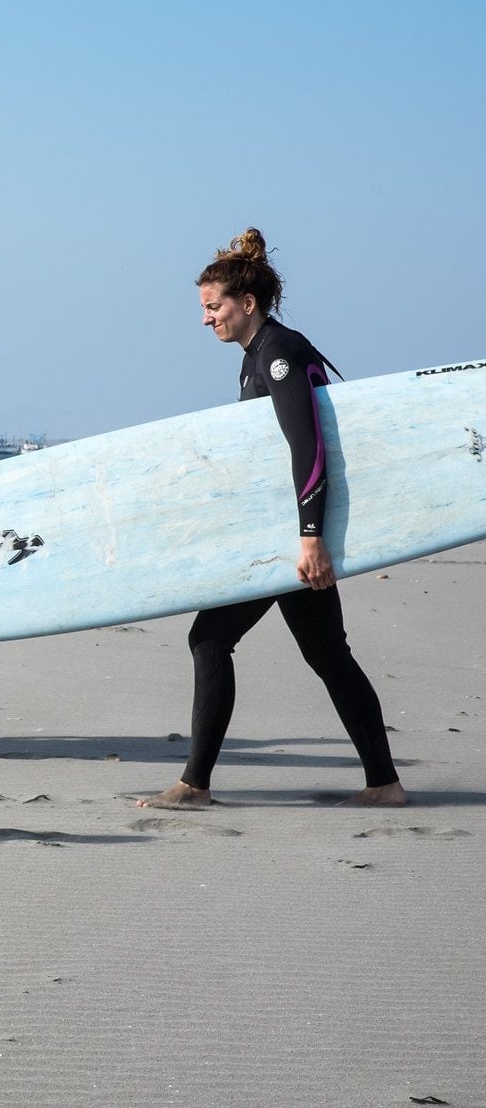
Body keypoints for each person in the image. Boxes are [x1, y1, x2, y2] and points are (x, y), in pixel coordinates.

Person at [138, 228, 406, 810]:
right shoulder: (257, 357)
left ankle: (194, 785)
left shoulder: (278, 353)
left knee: (210, 638)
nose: (205, 319)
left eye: (214, 307)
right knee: (328, 655)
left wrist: (311, 538)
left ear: (247, 303)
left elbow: (306, 448)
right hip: (287, 535)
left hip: (293, 540)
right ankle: (384, 783)